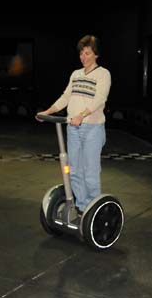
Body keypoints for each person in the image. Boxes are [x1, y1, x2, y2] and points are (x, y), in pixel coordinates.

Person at [36, 35, 111, 216]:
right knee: (74, 171)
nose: (83, 57)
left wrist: (81, 115)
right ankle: (83, 207)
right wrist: (48, 111)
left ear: (96, 54)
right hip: (73, 128)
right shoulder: (75, 75)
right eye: (81, 54)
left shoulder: (103, 74)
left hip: (92, 128)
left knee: (90, 172)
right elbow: (66, 97)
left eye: (87, 53)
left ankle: (95, 210)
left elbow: (100, 100)